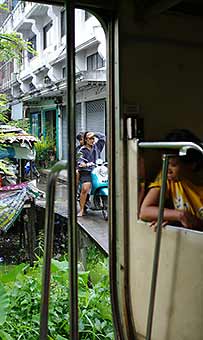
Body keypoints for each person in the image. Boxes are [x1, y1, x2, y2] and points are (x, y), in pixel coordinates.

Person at [139, 129, 203, 232]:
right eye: (165, 163)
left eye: (173, 165)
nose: (167, 169)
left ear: (192, 164)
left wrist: (192, 222)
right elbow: (144, 212)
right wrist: (177, 216)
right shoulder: (168, 177)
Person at [77, 131, 106, 216]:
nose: (92, 140)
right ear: (86, 140)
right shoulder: (82, 150)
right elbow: (79, 160)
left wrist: (94, 133)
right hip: (87, 172)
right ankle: (81, 209)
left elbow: (103, 137)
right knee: (85, 188)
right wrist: (83, 164)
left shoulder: (97, 147)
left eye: (93, 138)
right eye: (90, 138)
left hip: (97, 171)